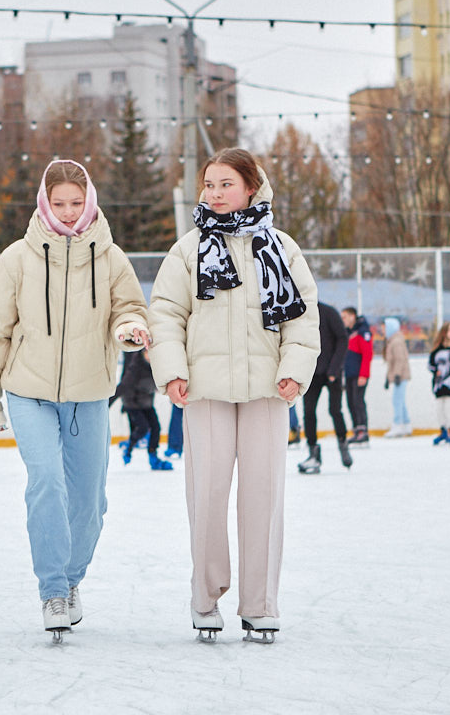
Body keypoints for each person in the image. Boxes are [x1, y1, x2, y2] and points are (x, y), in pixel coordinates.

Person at [0, 158, 149, 641]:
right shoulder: (17, 259)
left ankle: (72, 580)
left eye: (76, 202)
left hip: (88, 394)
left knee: (91, 501)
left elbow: (130, 307)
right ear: (44, 204)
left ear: (89, 200)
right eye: (59, 204)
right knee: (47, 482)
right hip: (28, 391)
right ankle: (52, 589)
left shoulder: (111, 258)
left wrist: (129, 328)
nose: (69, 213)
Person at [148, 148, 319, 643]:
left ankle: (260, 603)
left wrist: (294, 369)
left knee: (263, 494)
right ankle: (205, 599)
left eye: (226, 184)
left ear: (250, 187)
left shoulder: (281, 248)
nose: (216, 193)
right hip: (204, 391)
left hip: (268, 389)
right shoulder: (188, 249)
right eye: (209, 184)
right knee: (207, 494)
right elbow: (165, 314)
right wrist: (173, 370)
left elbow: (302, 318)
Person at [298, 301, 351, 474]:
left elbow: (343, 339)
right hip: (311, 373)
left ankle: (343, 444)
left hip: (332, 372)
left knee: (335, 410)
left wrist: (334, 369)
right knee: (308, 412)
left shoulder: (329, 312)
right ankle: (313, 452)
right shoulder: (301, 313)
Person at [113, 348, 172, 470]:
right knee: (143, 428)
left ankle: (153, 456)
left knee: (156, 427)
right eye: (147, 354)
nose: (149, 357)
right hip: (132, 403)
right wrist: (107, 403)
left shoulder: (156, 367)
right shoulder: (135, 367)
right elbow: (123, 386)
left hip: (146, 403)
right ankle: (128, 449)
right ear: (142, 354)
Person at [341, 307, 373, 446]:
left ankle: (363, 430)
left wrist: (363, 374)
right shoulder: (348, 333)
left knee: (358, 401)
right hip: (349, 373)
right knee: (350, 402)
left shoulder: (362, 332)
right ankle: (356, 429)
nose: (343, 320)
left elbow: (367, 354)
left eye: (345, 317)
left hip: (359, 374)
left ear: (353, 316)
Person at [383, 317, 412, 438]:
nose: (383, 330)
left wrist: (397, 375)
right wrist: (388, 377)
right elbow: (392, 362)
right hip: (398, 375)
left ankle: (398, 425)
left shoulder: (396, 342)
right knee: (400, 401)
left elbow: (400, 359)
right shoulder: (393, 341)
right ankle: (406, 424)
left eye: (384, 328)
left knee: (397, 401)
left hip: (401, 376)